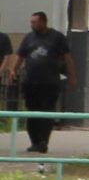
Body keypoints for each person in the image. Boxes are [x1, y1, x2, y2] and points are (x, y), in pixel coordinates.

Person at [16, 12, 77, 155]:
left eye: (35, 22)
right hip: (31, 83)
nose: (32, 25)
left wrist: (72, 77)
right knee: (32, 112)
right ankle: (34, 142)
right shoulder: (28, 38)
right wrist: (14, 70)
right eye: (31, 22)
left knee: (46, 111)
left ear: (43, 22)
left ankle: (43, 141)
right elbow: (20, 56)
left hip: (49, 83)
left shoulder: (57, 37)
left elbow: (68, 58)